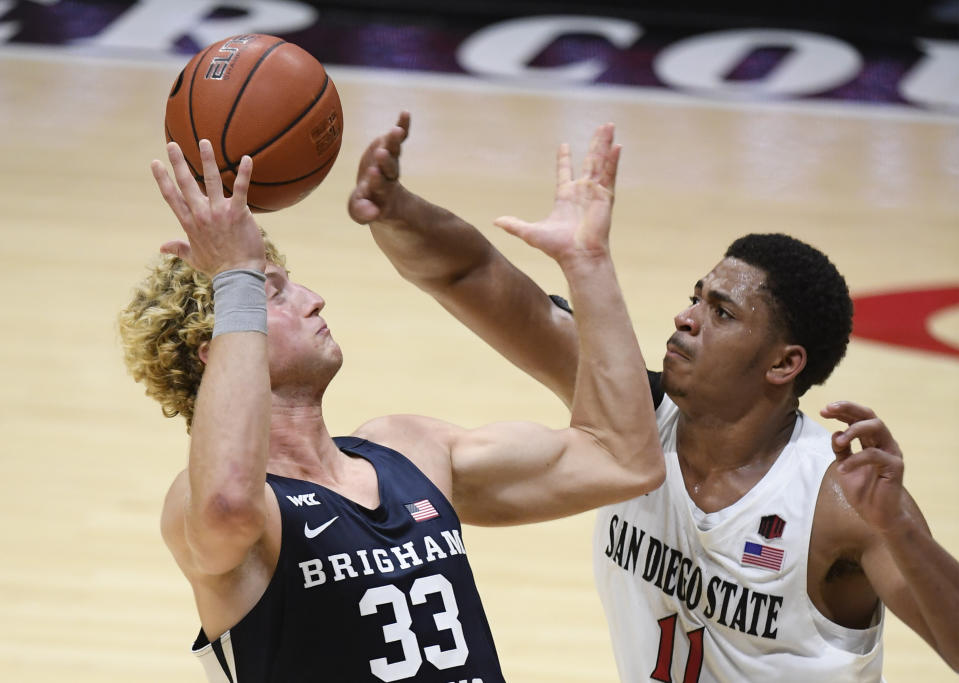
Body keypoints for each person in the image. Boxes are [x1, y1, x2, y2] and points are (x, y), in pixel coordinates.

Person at [348, 112, 959, 681]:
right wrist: (396, 208)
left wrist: (901, 530)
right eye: (696, 297)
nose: (686, 318)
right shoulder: (630, 423)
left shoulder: (838, 499)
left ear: (783, 363)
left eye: (721, 312)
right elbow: (473, 277)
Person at [118, 126, 665, 682]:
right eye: (275, 292)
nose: (313, 299)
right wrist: (234, 274)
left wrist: (588, 262)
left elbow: (623, 458)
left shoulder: (411, 448)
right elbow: (227, 506)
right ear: (220, 348)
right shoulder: (216, 503)